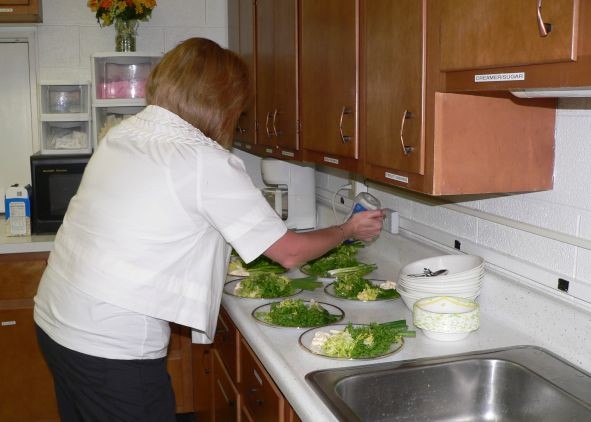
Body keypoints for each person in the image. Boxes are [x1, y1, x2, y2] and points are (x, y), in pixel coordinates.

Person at [33, 37, 384, 422]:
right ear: (224, 102)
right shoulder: (202, 159)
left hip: (56, 320)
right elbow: (290, 251)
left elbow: (159, 219)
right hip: (111, 344)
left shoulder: (123, 133)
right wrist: (348, 228)